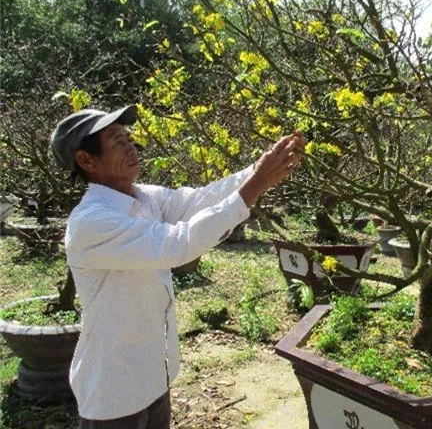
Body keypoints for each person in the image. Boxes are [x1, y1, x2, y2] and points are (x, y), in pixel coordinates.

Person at [49, 105, 303, 428]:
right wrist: (258, 182)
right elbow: (178, 243)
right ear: (86, 160)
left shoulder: (143, 198)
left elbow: (199, 200)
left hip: (153, 375)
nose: (131, 146)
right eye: (116, 140)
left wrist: (258, 170)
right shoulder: (91, 222)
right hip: (113, 391)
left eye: (128, 137)